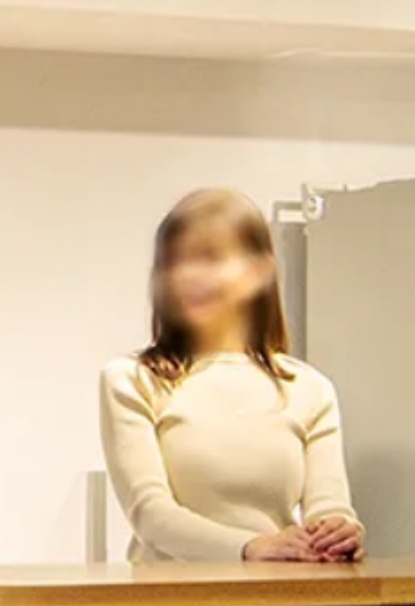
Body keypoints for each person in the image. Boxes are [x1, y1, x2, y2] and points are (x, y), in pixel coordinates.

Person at [100, 188, 364, 563]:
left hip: (283, 591)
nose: (187, 276)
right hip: (167, 596)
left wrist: (338, 530)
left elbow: (329, 506)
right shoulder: (132, 380)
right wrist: (249, 547)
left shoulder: (310, 389)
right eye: (173, 262)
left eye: (209, 258)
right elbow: (151, 514)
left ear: (259, 271)